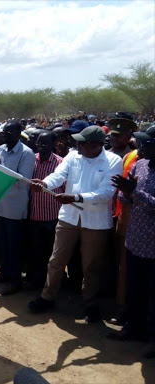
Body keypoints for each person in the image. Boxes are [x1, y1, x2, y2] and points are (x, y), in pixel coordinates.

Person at [28, 126, 122, 322]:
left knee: (92, 265)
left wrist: (77, 197)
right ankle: (47, 296)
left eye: (81, 142)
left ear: (95, 145)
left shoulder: (113, 161)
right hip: (69, 217)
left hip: (95, 221)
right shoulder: (73, 156)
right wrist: (45, 184)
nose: (76, 145)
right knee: (57, 260)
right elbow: (58, 175)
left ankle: (90, 303)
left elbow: (106, 193)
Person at [109, 125, 155, 358]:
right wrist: (125, 192)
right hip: (135, 238)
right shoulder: (140, 165)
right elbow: (124, 197)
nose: (142, 146)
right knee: (135, 288)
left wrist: (134, 192)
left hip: (152, 244)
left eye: (147, 142)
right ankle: (132, 327)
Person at [0, 120, 36, 295]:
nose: (4, 136)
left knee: (14, 246)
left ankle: (15, 280)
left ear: (18, 134)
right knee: (2, 244)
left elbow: (21, 180)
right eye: (3, 133)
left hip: (15, 208)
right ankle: (5, 273)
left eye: (9, 134)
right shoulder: (1, 150)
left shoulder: (26, 153)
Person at [25, 131, 64, 289]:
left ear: (54, 144)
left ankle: (50, 284)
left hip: (52, 216)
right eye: (39, 142)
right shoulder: (31, 160)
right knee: (35, 251)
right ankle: (35, 281)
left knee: (50, 252)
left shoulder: (60, 163)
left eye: (45, 143)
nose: (41, 146)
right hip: (34, 215)